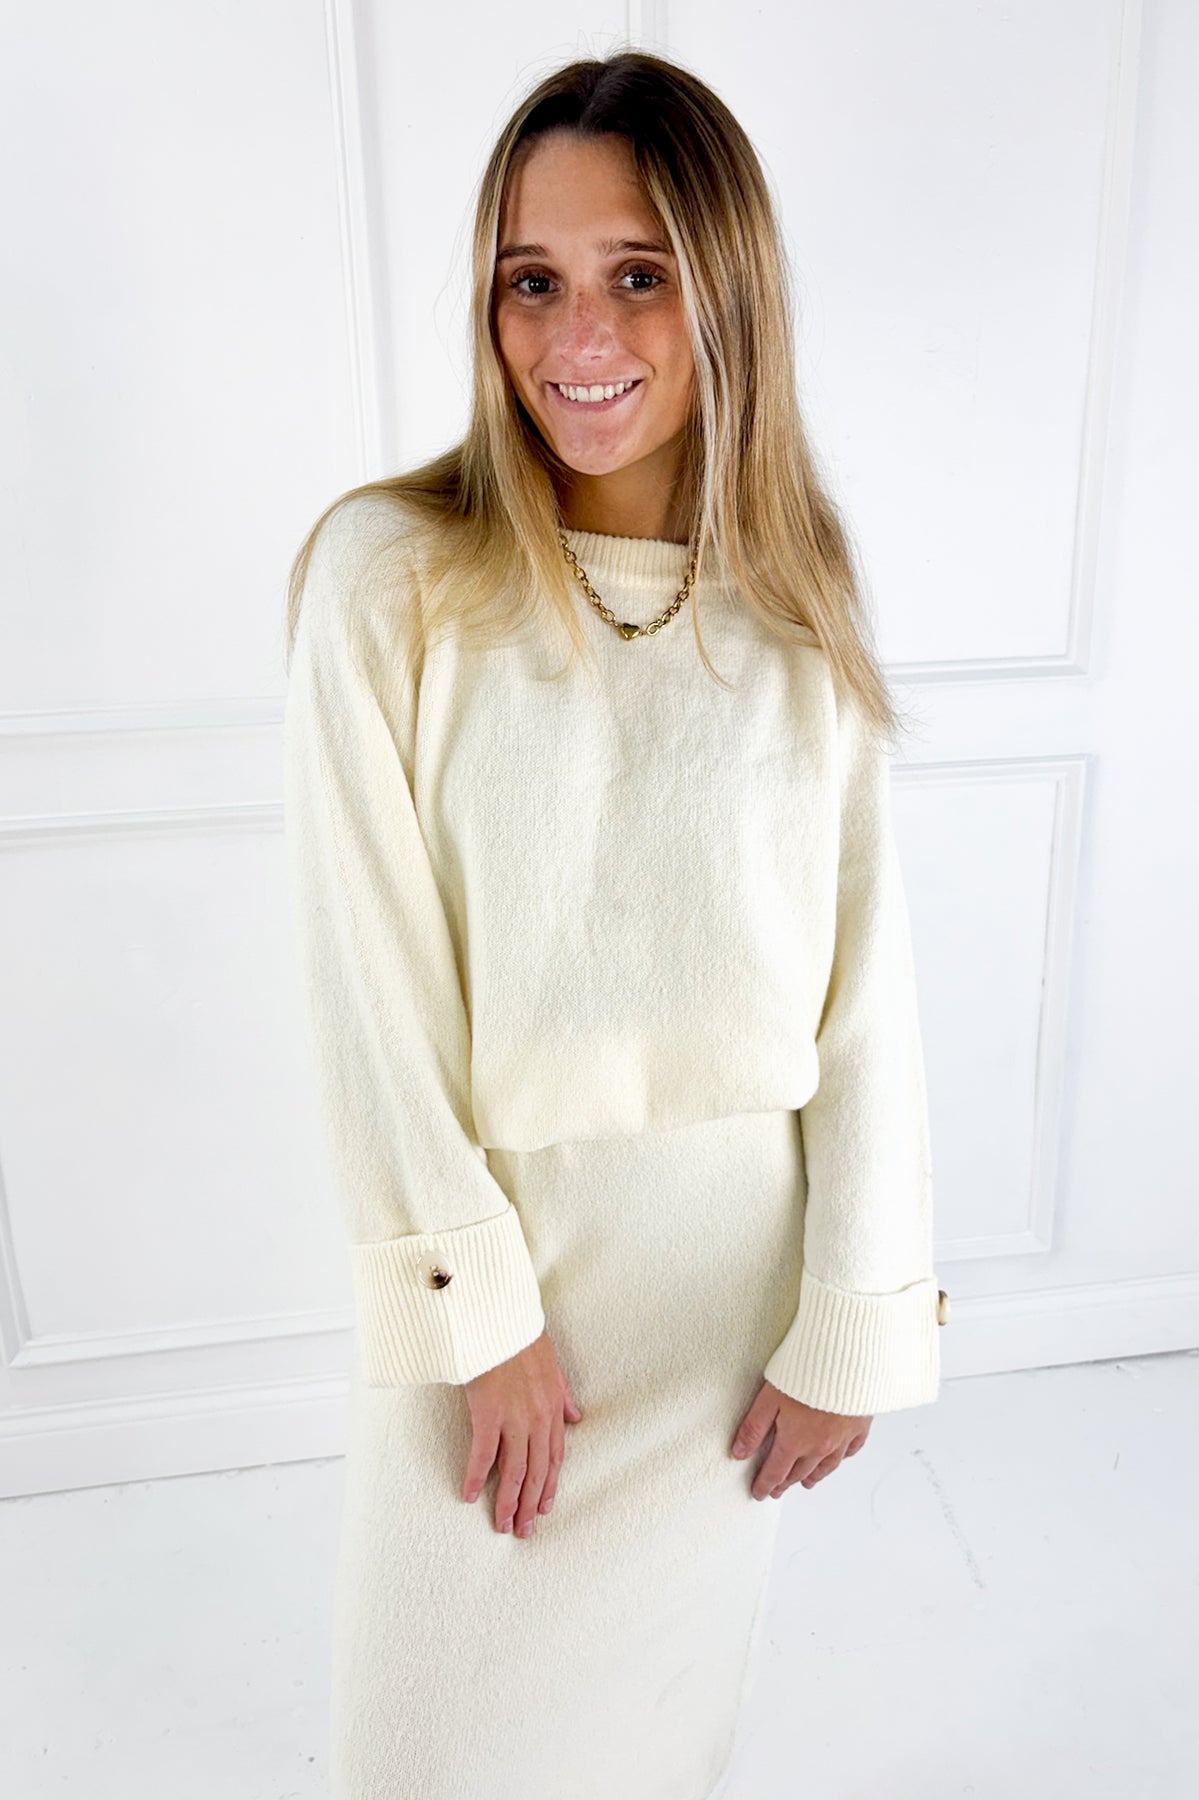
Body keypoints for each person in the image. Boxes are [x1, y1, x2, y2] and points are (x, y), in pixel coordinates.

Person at [281, 45, 950, 1800]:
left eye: (638, 274)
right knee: (414, 1755)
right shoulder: (391, 579)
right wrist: (476, 1311)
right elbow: (367, 979)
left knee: (654, 1750)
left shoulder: (798, 597)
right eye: (534, 280)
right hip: (509, 1285)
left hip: (729, 1300)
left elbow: (865, 994)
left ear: (727, 295)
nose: (579, 334)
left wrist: (855, 1311)